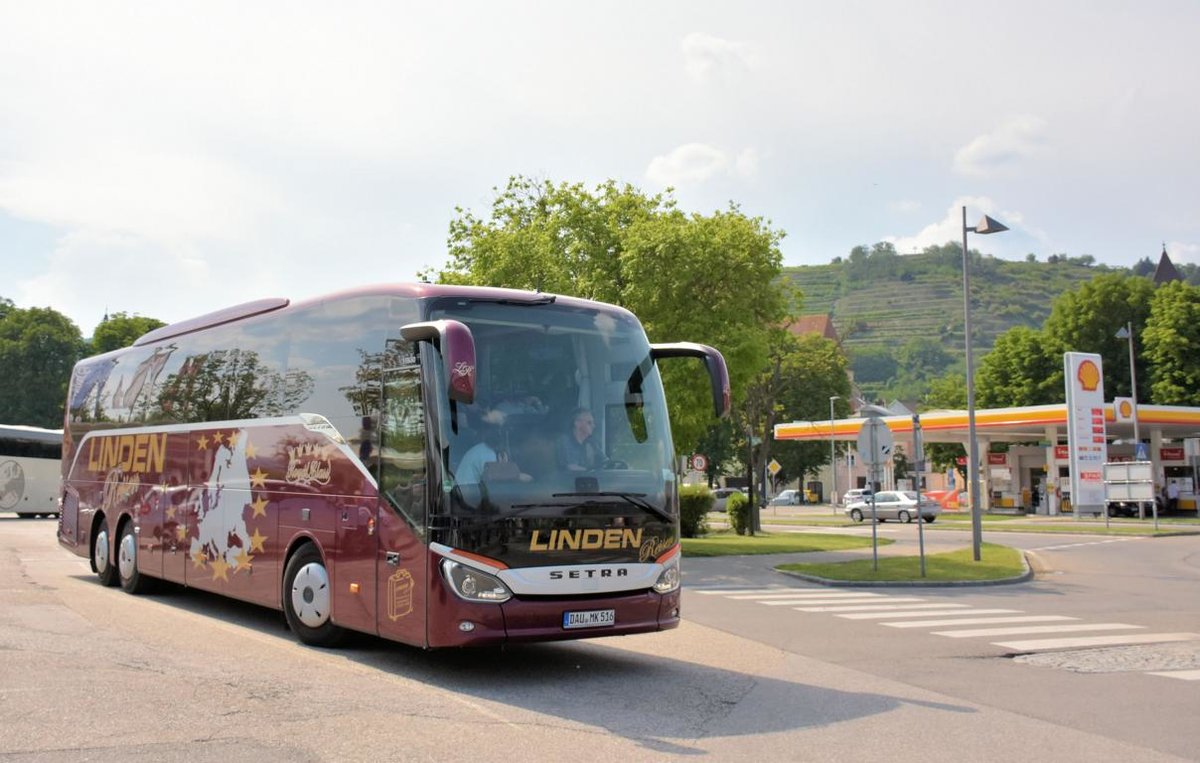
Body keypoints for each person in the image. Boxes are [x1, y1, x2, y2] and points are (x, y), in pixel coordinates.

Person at [557, 407, 603, 471]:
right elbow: (571, 467)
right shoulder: (564, 442)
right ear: (577, 423)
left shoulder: (592, 443)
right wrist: (591, 472)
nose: (593, 426)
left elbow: (604, 461)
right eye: (589, 422)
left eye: (593, 423)